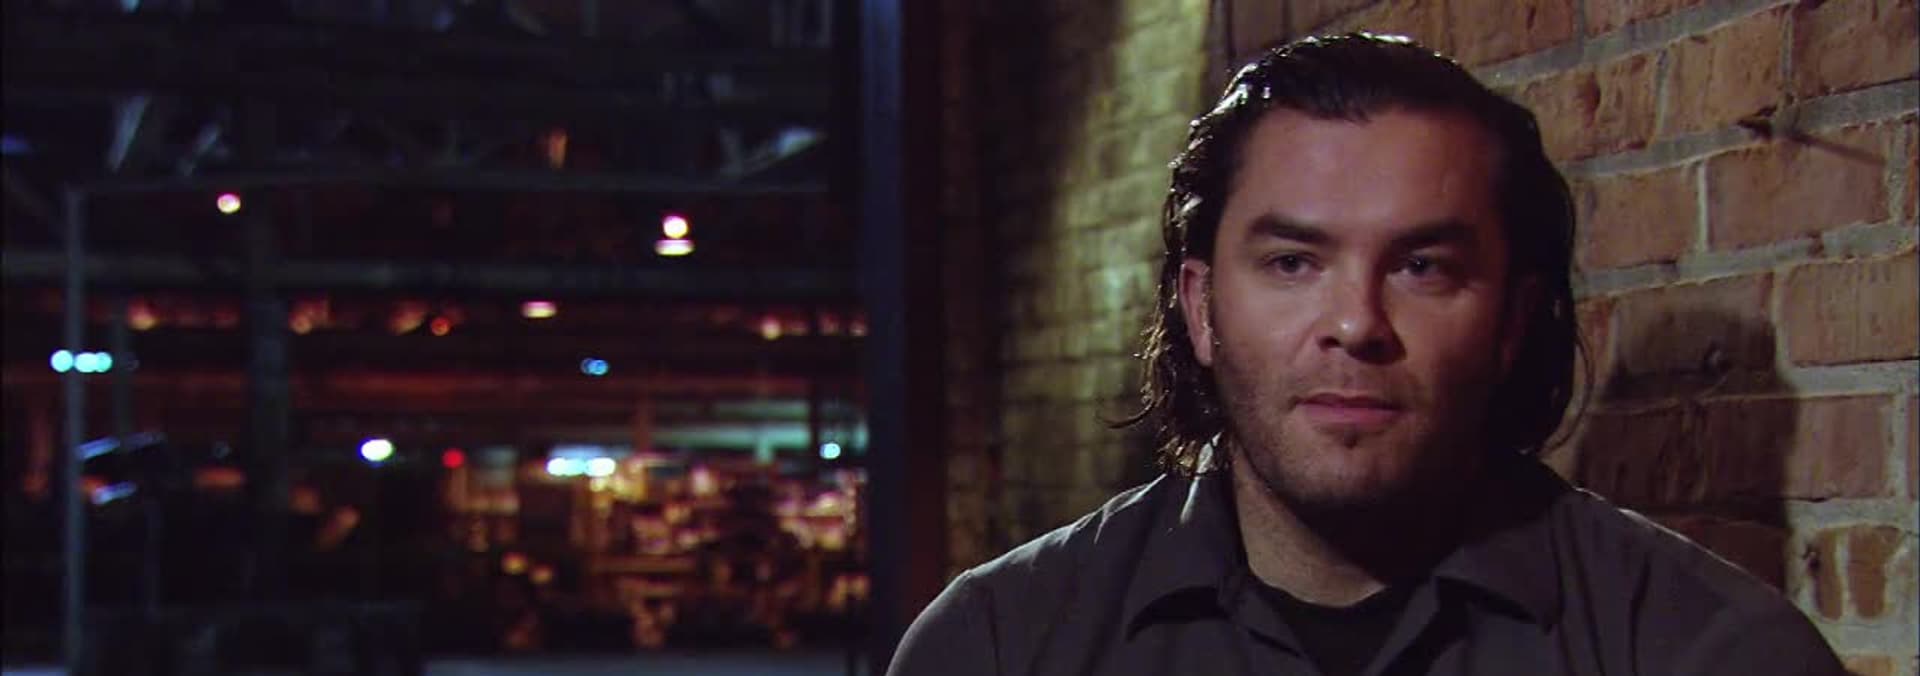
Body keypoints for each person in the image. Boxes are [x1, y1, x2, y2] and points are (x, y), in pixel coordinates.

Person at [886, 33, 1844, 676]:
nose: (1356, 323)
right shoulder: (1001, 646)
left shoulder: (1709, 651)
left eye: (1423, 267)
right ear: (1202, 308)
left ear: (1513, 322)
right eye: (1293, 262)